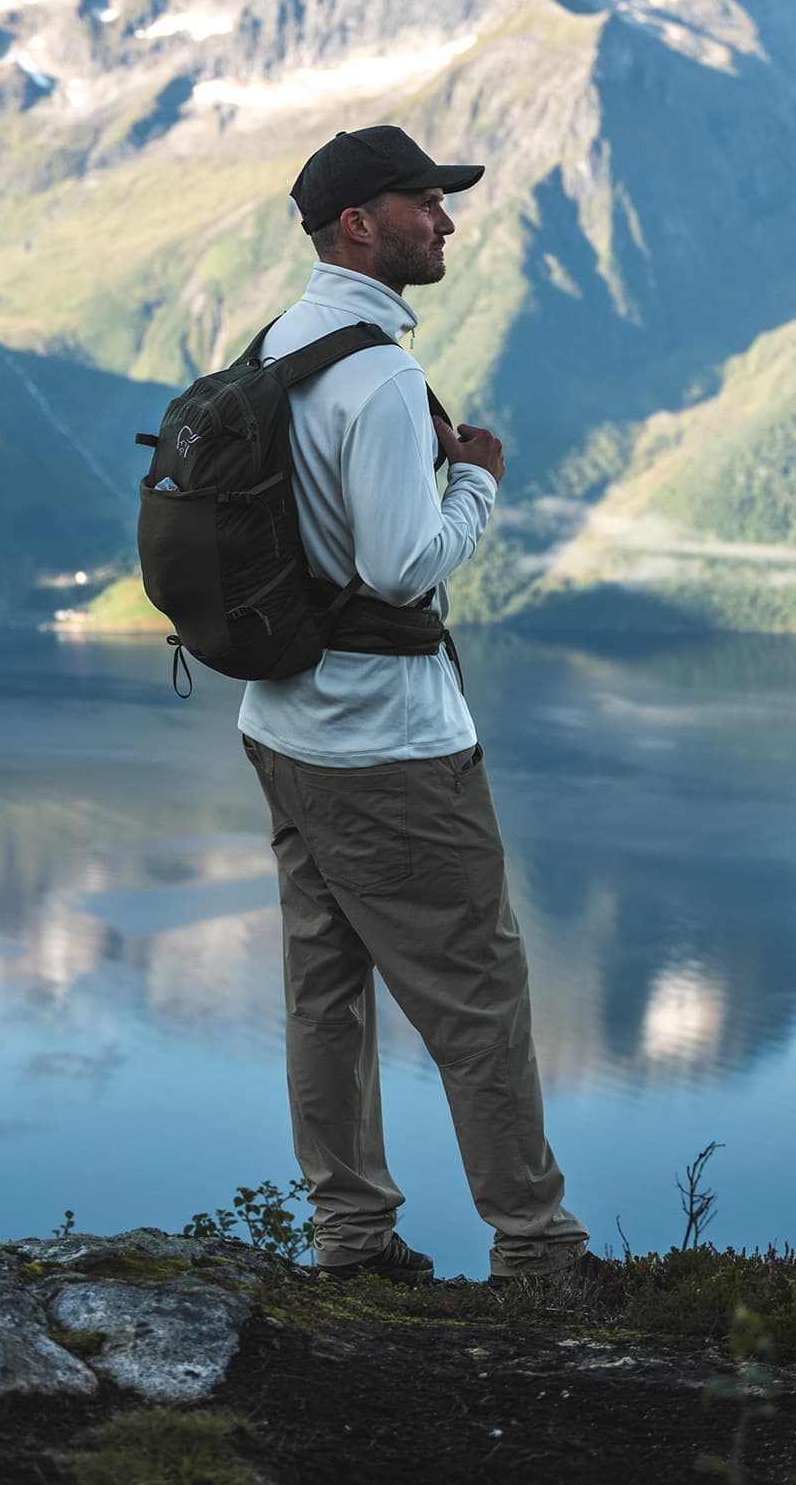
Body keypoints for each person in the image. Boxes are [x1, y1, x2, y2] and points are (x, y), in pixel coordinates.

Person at [236, 122, 598, 1287]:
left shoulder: (282, 343)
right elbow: (403, 569)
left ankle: (351, 1237)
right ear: (360, 224)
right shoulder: (380, 372)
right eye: (423, 202)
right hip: (387, 744)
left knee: (323, 994)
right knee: (477, 996)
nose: (444, 220)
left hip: (284, 726)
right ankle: (538, 1250)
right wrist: (477, 481)